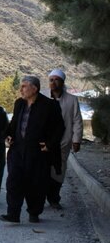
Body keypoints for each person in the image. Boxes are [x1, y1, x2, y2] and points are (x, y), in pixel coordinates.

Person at [0, 76, 64, 223]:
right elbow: (14, 123)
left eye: (24, 86)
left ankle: (34, 212)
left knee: (36, 183)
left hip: (37, 152)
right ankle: (13, 214)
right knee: (14, 181)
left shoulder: (49, 105)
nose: (20, 89)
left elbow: (59, 128)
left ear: (34, 88)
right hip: (18, 150)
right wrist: (8, 135)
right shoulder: (19, 104)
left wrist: (49, 144)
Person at [46, 69, 83, 210]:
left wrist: (76, 140)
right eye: (51, 80)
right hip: (45, 143)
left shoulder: (72, 100)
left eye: (56, 79)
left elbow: (77, 121)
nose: (53, 82)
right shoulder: (43, 99)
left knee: (58, 172)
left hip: (63, 142)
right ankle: (41, 197)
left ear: (62, 82)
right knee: (43, 171)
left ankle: (54, 198)